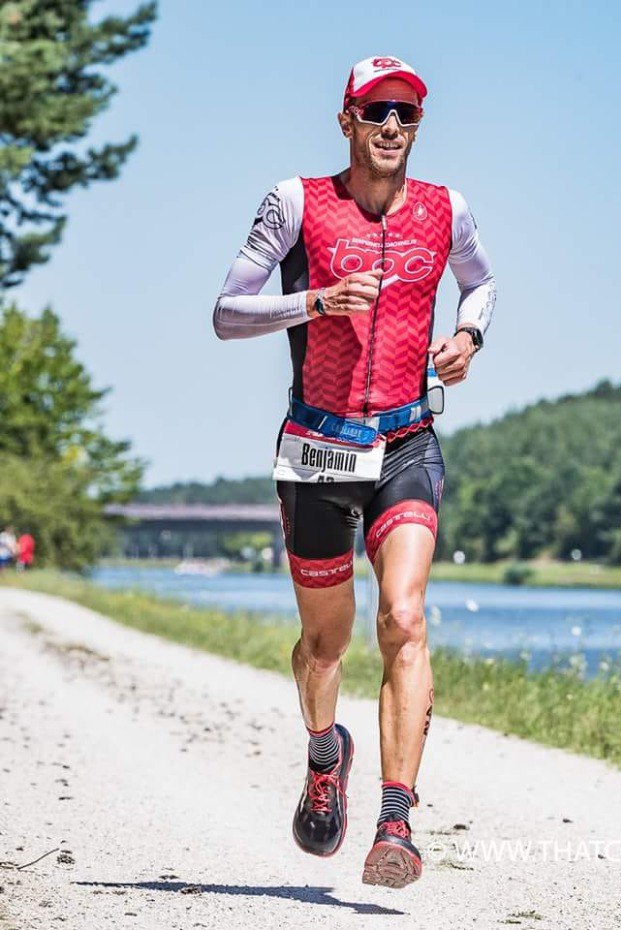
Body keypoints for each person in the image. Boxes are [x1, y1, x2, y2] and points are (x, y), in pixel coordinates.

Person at [212, 55, 496, 888]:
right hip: (316, 452)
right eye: (376, 112)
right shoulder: (298, 202)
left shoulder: (449, 209)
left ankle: (398, 821)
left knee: (404, 618)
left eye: (406, 114)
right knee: (325, 644)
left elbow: (481, 284)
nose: (391, 128)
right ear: (346, 120)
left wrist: (470, 338)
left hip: (407, 438)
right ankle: (323, 752)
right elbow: (227, 311)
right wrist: (313, 302)